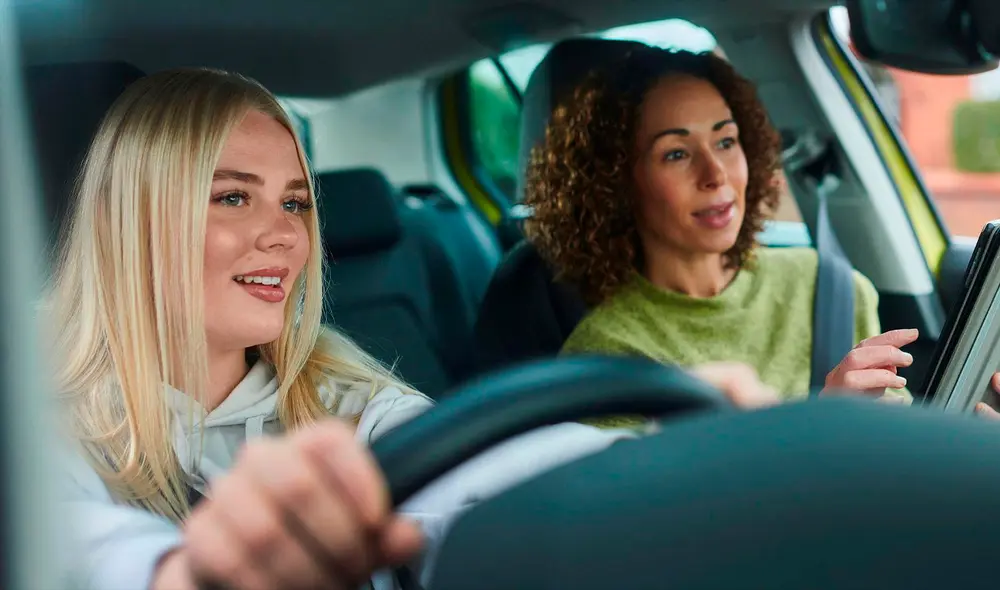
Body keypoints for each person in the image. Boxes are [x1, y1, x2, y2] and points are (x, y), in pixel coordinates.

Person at [52, 67, 785, 590]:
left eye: (296, 203)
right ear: (131, 219)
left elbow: (485, 467)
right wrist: (186, 574)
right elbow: (62, 546)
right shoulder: (36, 415)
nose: (283, 235)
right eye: (234, 198)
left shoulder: (338, 394)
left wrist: (664, 464)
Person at [522, 45, 920, 427]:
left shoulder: (831, 288)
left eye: (726, 141)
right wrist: (820, 422)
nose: (716, 174)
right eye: (676, 153)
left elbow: (896, 457)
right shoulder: (604, 356)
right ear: (615, 183)